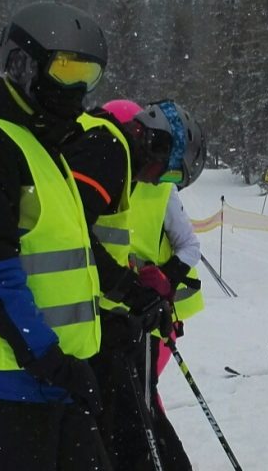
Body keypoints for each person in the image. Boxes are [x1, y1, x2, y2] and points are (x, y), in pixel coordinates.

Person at [0, 1, 168, 471]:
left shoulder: (43, 144)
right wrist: (50, 361)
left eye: (87, 76)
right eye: (65, 71)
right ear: (22, 65)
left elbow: (73, 254)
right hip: (10, 380)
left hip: (55, 374)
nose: (77, 90)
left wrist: (128, 294)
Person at [65, 98, 205, 471]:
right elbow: (73, 238)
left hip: (110, 318)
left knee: (131, 413)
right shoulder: (106, 153)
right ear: (154, 145)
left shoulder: (126, 166)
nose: (161, 182)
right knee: (119, 420)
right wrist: (129, 290)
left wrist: (148, 288)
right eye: (169, 172)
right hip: (87, 320)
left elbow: (187, 245)